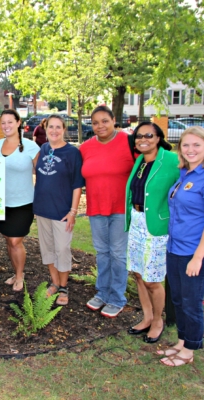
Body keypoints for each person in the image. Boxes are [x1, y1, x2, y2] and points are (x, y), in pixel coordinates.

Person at [158, 126, 204, 367]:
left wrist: (198, 257)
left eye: (196, 145)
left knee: (191, 302)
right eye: (186, 145)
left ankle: (189, 350)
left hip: (197, 252)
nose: (190, 150)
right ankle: (182, 341)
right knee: (178, 300)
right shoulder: (184, 174)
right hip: (176, 248)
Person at [124, 122, 179, 343]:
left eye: (149, 135)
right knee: (137, 273)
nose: (143, 139)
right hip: (136, 222)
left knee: (152, 279)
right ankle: (146, 317)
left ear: (158, 138)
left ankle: (158, 320)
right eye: (139, 136)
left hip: (156, 227)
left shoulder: (172, 161)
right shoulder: (140, 161)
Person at [80, 105, 135, 318]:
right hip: (96, 209)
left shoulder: (129, 142)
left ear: (114, 120)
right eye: (95, 122)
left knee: (118, 254)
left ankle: (117, 298)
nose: (100, 126)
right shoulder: (85, 148)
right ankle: (102, 292)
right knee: (102, 253)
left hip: (121, 209)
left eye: (104, 120)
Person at [33, 115, 84, 305]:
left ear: (64, 129)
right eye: (50, 127)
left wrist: (73, 211)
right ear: (45, 130)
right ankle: (54, 283)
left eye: (58, 127)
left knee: (62, 249)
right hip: (42, 208)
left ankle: (63, 286)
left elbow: (77, 184)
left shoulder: (72, 153)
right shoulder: (44, 149)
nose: (54, 130)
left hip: (62, 211)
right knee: (47, 249)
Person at [0, 109, 39, 292]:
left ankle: (20, 275)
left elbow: (42, 174)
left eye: (10, 122)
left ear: (19, 122)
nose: (6, 126)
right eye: (3, 123)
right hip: (1, 202)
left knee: (14, 241)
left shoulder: (30, 146)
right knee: (7, 239)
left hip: (23, 202)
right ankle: (15, 272)